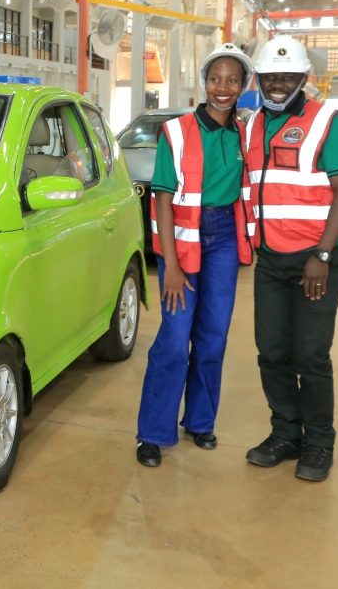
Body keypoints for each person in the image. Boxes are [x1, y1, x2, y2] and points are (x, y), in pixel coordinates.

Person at [241, 35, 338, 482]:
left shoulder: (329, 122)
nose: (278, 85)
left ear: (304, 78)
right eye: (271, 77)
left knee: (309, 353)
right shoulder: (251, 126)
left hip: (319, 259)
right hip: (271, 259)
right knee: (271, 351)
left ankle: (319, 443)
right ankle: (285, 434)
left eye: (288, 76)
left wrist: (323, 254)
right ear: (260, 79)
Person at [135, 43, 255, 467]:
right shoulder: (177, 131)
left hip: (224, 240)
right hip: (183, 242)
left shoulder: (245, 132)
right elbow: (162, 198)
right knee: (173, 338)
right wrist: (169, 265)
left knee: (213, 337)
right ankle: (153, 432)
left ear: (244, 86)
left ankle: (200, 422)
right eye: (215, 79)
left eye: (232, 80)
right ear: (203, 82)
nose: (222, 88)